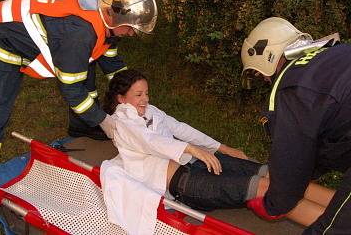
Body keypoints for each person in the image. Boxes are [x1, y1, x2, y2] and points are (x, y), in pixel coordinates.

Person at [0, 0, 157, 234]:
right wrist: (104, 121)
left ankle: (82, 124)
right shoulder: (78, 32)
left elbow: (110, 58)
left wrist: (132, 92)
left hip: (32, 30)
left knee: (86, 68)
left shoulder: (102, 12)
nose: (131, 34)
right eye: (130, 29)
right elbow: (72, 90)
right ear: (116, 17)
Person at [100, 69, 333, 234]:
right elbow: (149, 140)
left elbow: (181, 128)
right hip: (184, 183)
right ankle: (336, 226)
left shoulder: (151, 111)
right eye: (138, 95)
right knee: (264, 189)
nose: (145, 100)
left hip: (197, 163)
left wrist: (224, 148)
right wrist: (194, 150)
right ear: (121, 99)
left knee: (273, 173)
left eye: (147, 93)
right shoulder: (122, 123)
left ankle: (342, 205)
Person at [241, 17, 351, 234]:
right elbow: (331, 141)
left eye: (260, 73)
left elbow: (293, 153)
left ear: (268, 56)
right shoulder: (333, 54)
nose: (264, 79)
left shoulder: (293, 87)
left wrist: (274, 204)